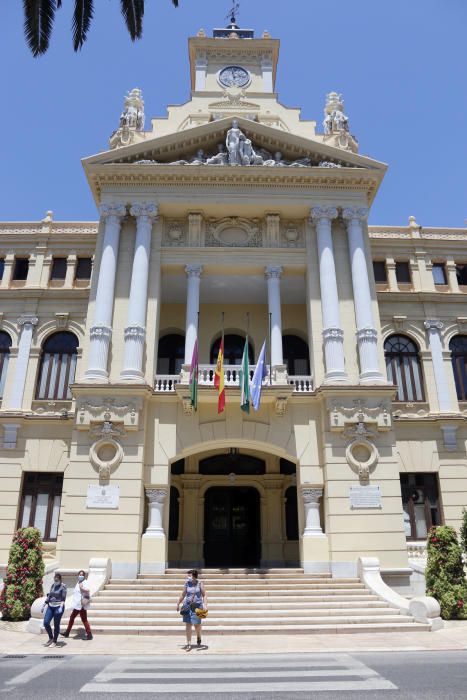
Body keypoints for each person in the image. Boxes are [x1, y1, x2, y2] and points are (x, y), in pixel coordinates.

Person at [177, 569, 207, 650]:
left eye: (189, 576)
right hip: (188, 606)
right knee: (188, 624)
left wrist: (205, 605)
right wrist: (178, 603)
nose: (188, 577)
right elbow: (183, 594)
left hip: (198, 606)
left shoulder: (200, 583)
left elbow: (204, 595)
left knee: (197, 625)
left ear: (194, 576)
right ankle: (188, 643)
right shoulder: (187, 583)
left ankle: (199, 636)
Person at [60, 569, 93, 640]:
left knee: (82, 619)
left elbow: (88, 590)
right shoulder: (78, 582)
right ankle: (67, 632)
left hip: (81, 605)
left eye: (82, 575)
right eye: (80, 575)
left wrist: (82, 588)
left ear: (84, 576)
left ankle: (89, 634)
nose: (80, 576)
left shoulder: (85, 582)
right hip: (78, 604)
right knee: (74, 618)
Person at [42, 573, 67, 647]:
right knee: (46, 622)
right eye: (54, 579)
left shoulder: (63, 587)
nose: (55, 581)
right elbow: (50, 595)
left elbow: (63, 598)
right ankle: (51, 638)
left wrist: (61, 607)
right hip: (50, 606)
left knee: (56, 624)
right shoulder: (53, 585)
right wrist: (44, 605)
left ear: (60, 579)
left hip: (58, 606)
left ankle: (55, 641)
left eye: (57, 580)